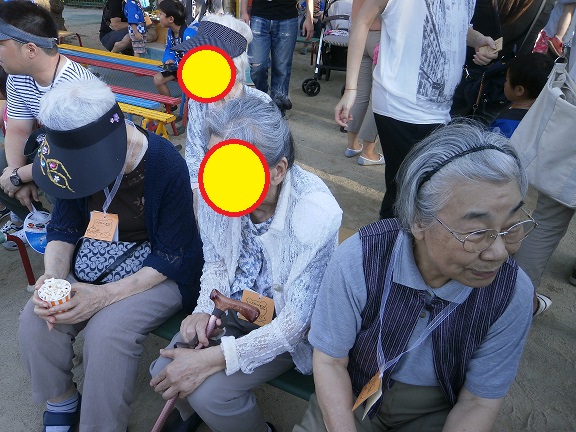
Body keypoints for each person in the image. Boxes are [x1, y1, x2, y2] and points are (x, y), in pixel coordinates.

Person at [294, 121, 534, 432]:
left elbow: (478, 401)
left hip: (438, 409)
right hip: (352, 391)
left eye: (512, 225)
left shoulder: (512, 293)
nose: (499, 252)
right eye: (477, 231)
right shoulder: (360, 258)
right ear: (418, 220)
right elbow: (330, 361)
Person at [18, 78, 203, 432]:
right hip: (96, 258)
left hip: (158, 269)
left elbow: (173, 254)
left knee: (107, 333)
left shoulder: (164, 163)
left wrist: (101, 297)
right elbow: (64, 228)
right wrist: (53, 277)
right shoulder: (70, 159)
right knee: (37, 316)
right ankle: (62, 401)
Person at [150, 95, 343, 432]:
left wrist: (211, 359)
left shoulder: (315, 214)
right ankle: (195, 415)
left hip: (280, 325)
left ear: (278, 170)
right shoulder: (217, 190)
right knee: (162, 371)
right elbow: (216, 262)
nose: (221, 179)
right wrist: (203, 310)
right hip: (229, 308)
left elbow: (296, 325)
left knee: (211, 395)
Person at [335, 0, 498, 220]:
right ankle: (390, 239)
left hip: (442, 109)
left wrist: (478, 39)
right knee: (405, 193)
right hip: (399, 104)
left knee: (421, 192)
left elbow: (457, 23)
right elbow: (362, 19)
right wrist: (350, 89)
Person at [0, 1, 95, 250]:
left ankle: (75, 234)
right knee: (3, 166)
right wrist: (14, 171)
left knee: (56, 182)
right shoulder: (18, 77)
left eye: (0, 45)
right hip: (52, 151)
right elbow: (18, 129)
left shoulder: (73, 87)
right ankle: (39, 219)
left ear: (30, 49)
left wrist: (18, 176)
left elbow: (73, 159)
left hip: (87, 164)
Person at [172, 13, 272, 213]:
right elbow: (194, 155)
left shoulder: (261, 103)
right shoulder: (199, 103)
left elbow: (269, 164)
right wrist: (199, 202)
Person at [240, 0, 314, 114]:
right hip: (259, 16)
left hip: (287, 17)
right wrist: (243, 12)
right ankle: (262, 101)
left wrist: (309, 17)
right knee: (257, 66)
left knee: (281, 68)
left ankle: (278, 110)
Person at [342, 0, 383, 166]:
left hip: (360, 36)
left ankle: (352, 145)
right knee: (377, 96)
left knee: (359, 94)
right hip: (380, 37)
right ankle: (368, 151)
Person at [490, 52, 553, 138]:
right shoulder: (549, 116)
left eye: (507, 80)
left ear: (519, 90)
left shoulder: (505, 123)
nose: (504, 83)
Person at [153, 0, 197, 99]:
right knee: (158, 79)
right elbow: (170, 48)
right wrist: (169, 59)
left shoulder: (189, 34)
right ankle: (170, 106)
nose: (159, 16)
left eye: (161, 14)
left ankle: (188, 107)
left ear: (171, 19)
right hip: (179, 67)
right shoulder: (171, 31)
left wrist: (176, 64)